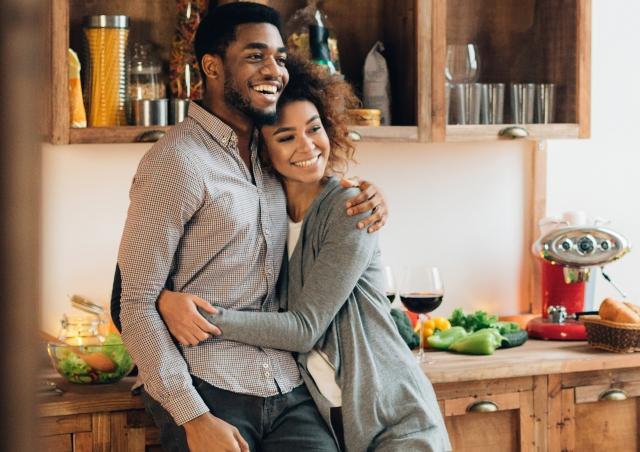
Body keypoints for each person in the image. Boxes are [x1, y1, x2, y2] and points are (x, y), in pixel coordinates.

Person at [115, 3, 388, 452]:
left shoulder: (268, 156)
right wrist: (193, 418)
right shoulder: (175, 163)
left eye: (280, 57)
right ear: (212, 66)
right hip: (209, 388)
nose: (274, 70)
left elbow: (319, 177)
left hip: (287, 387)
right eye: (256, 55)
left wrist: (371, 195)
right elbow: (135, 303)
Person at [158, 56, 451, 451]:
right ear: (263, 149)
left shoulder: (350, 207)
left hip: (395, 419)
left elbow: (303, 328)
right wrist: (163, 298)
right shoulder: (266, 209)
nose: (307, 146)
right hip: (338, 421)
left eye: (314, 129)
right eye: (286, 137)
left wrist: (199, 318)